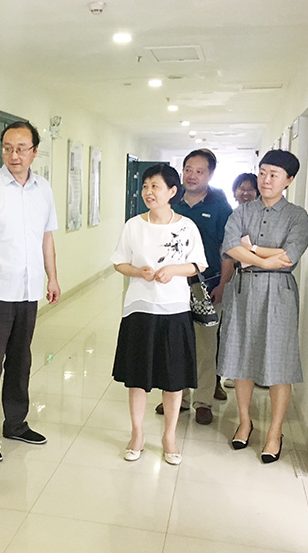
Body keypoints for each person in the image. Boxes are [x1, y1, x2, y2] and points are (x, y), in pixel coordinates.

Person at [0, 120, 61, 463]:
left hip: (28, 290)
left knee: (21, 362)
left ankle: (16, 423)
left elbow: (47, 238)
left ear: (34, 151)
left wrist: (52, 278)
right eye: (8, 148)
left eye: (21, 149)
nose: (13, 155)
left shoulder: (43, 189)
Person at [218, 150, 308, 463]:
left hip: (279, 293)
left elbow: (290, 255)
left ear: (289, 180)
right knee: (241, 356)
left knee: (279, 362)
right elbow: (230, 247)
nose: (266, 180)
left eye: (274, 174)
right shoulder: (242, 211)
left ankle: (275, 432)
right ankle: (245, 422)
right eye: (262, 172)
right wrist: (267, 257)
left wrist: (253, 250)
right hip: (242, 290)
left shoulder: (297, 216)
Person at [112, 164, 207, 464]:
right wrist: (136, 271)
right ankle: (137, 434)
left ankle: (169, 437)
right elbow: (119, 262)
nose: (148, 192)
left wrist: (173, 270)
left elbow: (198, 264)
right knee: (137, 377)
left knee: (173, 378)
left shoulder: (186, 226)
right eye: (145, 186)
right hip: (139, 309)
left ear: (172, 191)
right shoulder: (133, 225)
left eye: (155, 186)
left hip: (174, 310)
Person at [155, 149, 233, 425]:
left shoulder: (220, 207)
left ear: (210, 174)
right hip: (172, 285)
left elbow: (228, 250)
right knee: (174, 343)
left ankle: (203, 401)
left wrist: (222, 284)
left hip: (207, 285)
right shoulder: (170, 201)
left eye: (199, 171)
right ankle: (179, 397)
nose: (192, 175)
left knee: (205, 346)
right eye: (188, 169)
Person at [221, 172, 260, 390]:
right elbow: (229, 252)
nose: (245, 193)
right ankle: (234, 373)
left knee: (257, 329)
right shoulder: (232, 216)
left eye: (250, 189)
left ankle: (257, 374)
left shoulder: (262, 217)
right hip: (236, 278)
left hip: (260, 278)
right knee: (234, 329)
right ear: (234, 191)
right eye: (241, 188)